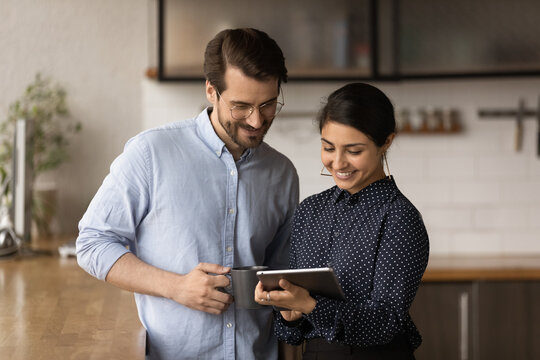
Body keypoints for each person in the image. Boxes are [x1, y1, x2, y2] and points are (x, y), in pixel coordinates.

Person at [76, 28, 299, 360]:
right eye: (241, 106)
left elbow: (281, 272)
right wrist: (175, 287)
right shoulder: (150, 153)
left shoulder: (282, 173)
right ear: (211, 91)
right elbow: (93, 242)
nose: (256, 120)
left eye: (267, 104)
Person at [255, 83, 429, 359]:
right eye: (328, 147)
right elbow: (292, 333)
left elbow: (385, 323)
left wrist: (311, 305)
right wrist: (291, 313)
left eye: (354, 150)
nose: (338, 163)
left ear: (386, 142)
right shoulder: (310, 210)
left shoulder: (399, 218)